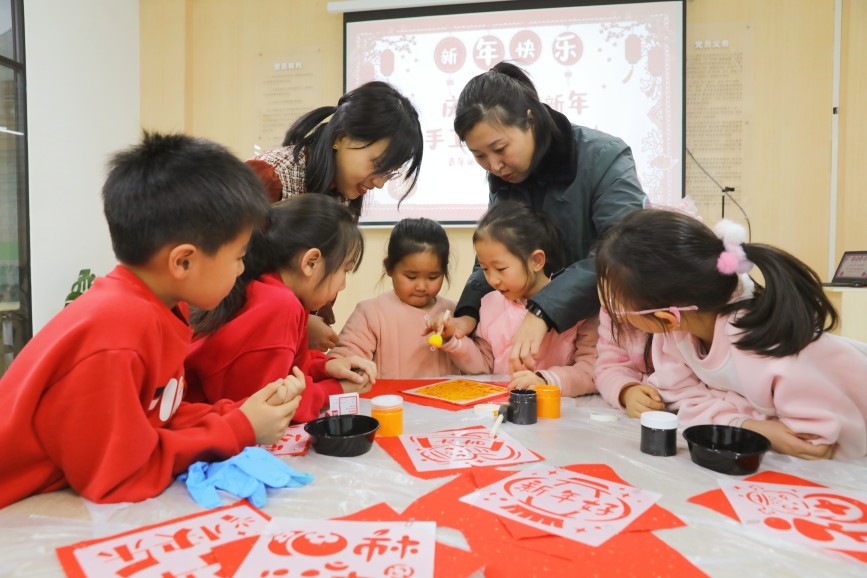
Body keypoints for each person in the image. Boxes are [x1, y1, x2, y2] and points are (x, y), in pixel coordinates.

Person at [0, 132, 304, 508]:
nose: (242, 269)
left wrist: (237, 412)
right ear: (183, 261)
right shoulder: (118, 332)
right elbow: (120, 476)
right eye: (239, 256)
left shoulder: (158, 306)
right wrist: (237, 429)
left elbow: (157, 413)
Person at [596, 208, 867, 459]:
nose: (613, 314)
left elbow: (814, 446)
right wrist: (747, 425)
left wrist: (729, 413)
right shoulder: (678, 332)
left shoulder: (763, 344)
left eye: (619, 307)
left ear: (666, 317)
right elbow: (678, 396)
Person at [446, 62, 646, 375]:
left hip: (601, 335)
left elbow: (622, 252)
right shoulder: (504, 176)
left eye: (500, 149)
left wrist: (542, 310)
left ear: (530, 119)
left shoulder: (604, 156)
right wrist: (468, 311)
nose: (495, 166)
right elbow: (495, 247)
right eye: (479, 156)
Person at [248, 81, 425, 352]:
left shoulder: (344, 194)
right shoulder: (270, 178)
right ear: (340, 137)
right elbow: (235, 277)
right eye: (377, 166)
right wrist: (301, 322)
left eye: (389, 174)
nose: (379, 184)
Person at [185, 194, 377, 422]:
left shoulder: (267, 289)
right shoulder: (280, 305)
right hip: (203, 428)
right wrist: (337, 390)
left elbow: (285, 369)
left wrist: (326, 367)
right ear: (311, 262)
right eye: (345, 269)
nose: (344, 284)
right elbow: (276, 404)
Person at [435, 201, 598, 395]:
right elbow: (485, 366)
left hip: (559, 412)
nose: (492, 280)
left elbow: (591, 371)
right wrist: (454, 339)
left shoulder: (578, 306)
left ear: (536, 261)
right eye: (485, 269)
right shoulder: (489, 305)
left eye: (501, 269)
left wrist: (545, 380)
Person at [329, 218, 458, 379]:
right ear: (389, 268)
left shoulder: (454, 313)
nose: (421, 286)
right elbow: (344, 358)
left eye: (433, 277)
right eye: (411, 277)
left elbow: (478, 365)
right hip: (391, 404)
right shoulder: (371, 312)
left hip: (444, 402)